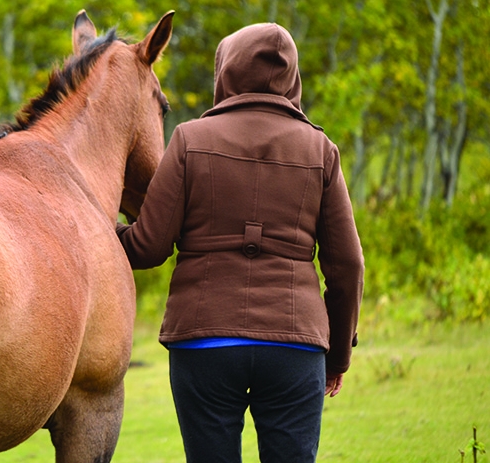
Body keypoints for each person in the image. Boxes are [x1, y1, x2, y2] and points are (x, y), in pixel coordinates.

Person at [116, 22, 364, 463]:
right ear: (293, 76)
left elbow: (149, 247)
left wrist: (102, 229)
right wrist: (337, 355)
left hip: (203, 342)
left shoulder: (190, 139)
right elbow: (347, 268)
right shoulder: (321, 150)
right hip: (295, 344)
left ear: (225, 70)